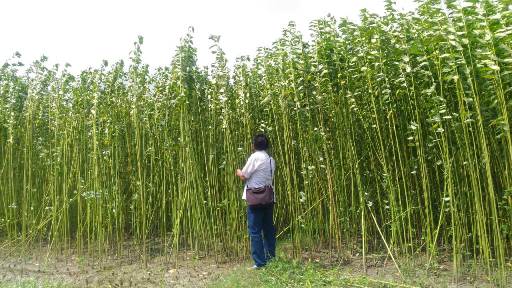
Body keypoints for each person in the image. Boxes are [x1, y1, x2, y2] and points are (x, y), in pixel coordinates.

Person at [236, 133, 276, 269]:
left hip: (256, 199)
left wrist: (238, 172)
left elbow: (244, 176)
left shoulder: (255, 157)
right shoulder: (271, 160)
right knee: (268, 229)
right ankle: (270, 258)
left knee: (255, 231)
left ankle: (259, 262)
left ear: (254, 145)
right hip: (269, 198)